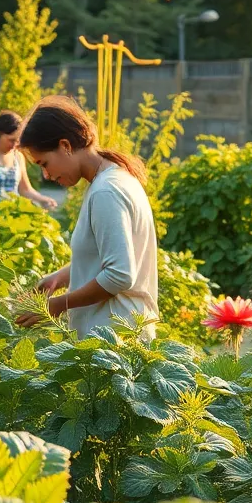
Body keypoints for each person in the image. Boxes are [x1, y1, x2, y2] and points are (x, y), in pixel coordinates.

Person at [13, 96, 158, 341]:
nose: (46, 175)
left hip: (114, 339)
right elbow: (108, 254)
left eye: (44, 163)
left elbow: (119, 274)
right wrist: (60, 277)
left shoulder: (106, 191)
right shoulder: (112, 179)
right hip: (116, 335)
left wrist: (58, 305)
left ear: (65, 146)